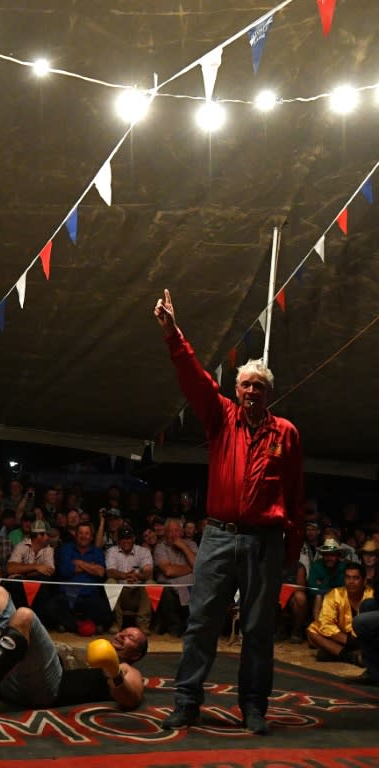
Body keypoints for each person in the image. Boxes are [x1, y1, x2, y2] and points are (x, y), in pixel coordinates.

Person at [154, 288, 304, 735]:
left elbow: (296, 496)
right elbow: (193, 377)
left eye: (259, 386)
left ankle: (253, 707)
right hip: (219, 536)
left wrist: (291, 553)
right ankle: (186, 702)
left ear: (269, 392)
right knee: (202, 622)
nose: (252, 391)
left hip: (265, 542)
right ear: (235, 390)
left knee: (258, 630)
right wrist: (172, 333)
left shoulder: (287, 433)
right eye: (245, 385)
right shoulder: (219, 417)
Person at [0, 584, 147, 718]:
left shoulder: (126, 669)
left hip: (47, 688)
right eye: (124, 631)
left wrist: (113, 670)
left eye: (130, 638)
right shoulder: (94, 647)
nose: (122, 635)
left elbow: (131, 698)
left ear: (135, 655)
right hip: (13, 676)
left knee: (25, 615)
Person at [306, 562, 373, 663]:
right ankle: (349, 657)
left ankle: (335, 653)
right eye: (348, 577)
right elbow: (326, 623)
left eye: (356, 578)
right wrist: (348, 641)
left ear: (364, 581)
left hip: (366, 640)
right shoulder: (335, 594)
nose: (351, 581)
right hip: (343, 638)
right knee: (312, 631)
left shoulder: (372, 595)